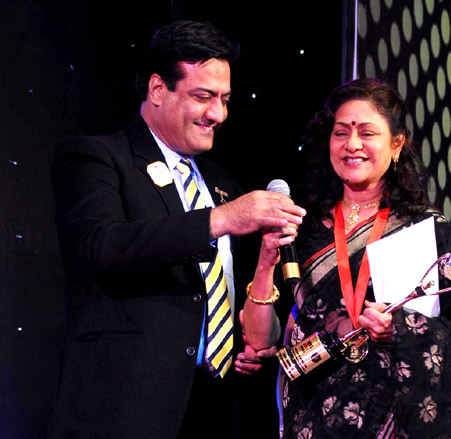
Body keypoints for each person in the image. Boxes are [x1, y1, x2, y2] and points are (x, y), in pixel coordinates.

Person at [48, 20, 305, 439]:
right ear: (157, 89)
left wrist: (254, 336)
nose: (217, 114)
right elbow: (101, 246)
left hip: (215, 407)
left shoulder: (223, 185)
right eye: (203, 97)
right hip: (124, 410)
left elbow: (240, 301)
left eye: (224, 99)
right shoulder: (97, 158)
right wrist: (220, 220)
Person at [244, 78, 451, 438]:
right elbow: (261, 341)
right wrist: (266, 261)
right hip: (313, 416)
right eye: (341, 133)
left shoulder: (426, 231)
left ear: (397, 144)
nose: (352, 144)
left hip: (396, 421)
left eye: (367, 133)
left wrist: (403, 328)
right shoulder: (301, 227)